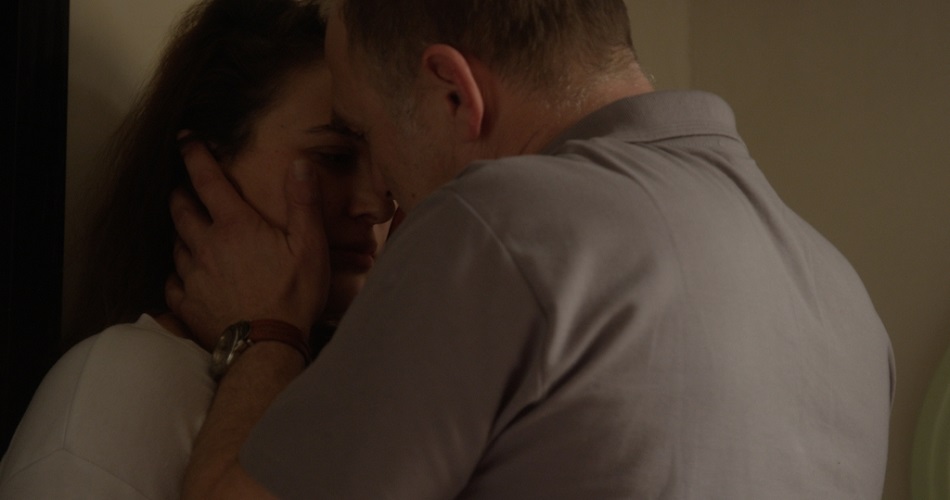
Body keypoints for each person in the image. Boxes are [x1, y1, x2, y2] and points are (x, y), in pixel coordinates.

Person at [168, 0, 896, 498]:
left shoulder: (494, 225)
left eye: (362, 133)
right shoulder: (843, 296)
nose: (381, 195)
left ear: (453, 94)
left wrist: (265, 331)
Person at [0, 0, 393, 498]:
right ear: (203, 164)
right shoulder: (125, 382)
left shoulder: (366, 393)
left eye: (387, 159)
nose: (378, 203)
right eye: (334, 157)